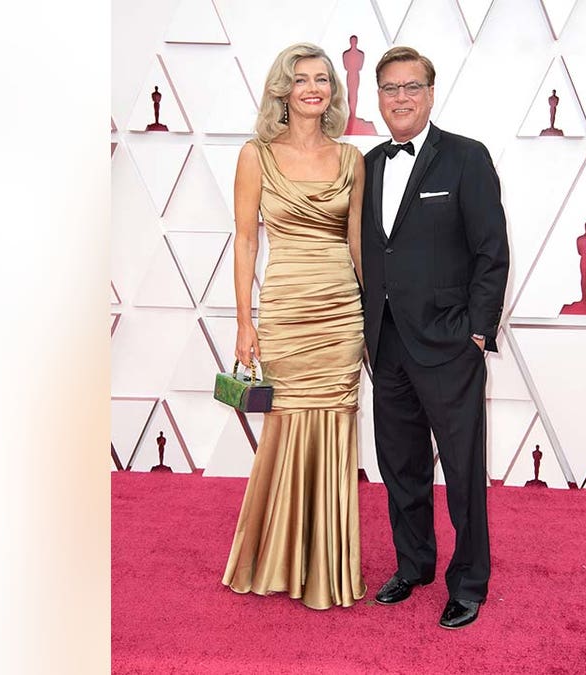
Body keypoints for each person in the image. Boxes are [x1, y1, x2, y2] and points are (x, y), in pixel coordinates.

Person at [361, 46, 509, 629]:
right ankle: (414, 563)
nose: (401, 97)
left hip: (450, 343)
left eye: (412, 87)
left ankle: (469, 581)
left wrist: (477, 332)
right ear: (378, 96)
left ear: (430, 92)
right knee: (401, 465)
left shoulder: (467, 159)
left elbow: (491, 251)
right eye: (391, 88)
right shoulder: (368, 164)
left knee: (464, 471)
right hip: (389, 345)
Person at [221, 43, 368, 610]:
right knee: (283, 426)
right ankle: (276, 556)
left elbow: (356, 244)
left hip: (339, 311)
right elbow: (246, 239)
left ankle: (326, 565)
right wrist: (243, 321)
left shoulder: (352, 159)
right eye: (301, 79)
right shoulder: (255, 155)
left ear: (334, 90)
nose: (314, 88)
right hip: (285, 306)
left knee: (335, 424)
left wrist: (375, 316)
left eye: (323, 79)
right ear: (282, 89)